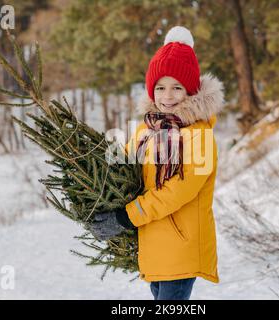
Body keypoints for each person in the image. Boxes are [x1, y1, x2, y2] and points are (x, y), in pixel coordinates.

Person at [90, 26, 224, 300]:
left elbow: (177, 192)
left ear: (192, 91)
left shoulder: (199, 136)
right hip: (153, 244)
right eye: (160, 87)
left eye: (177, 87)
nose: (168, 96)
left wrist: (126, 217)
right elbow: (124, 167)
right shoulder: (146, 130)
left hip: (181, 246)